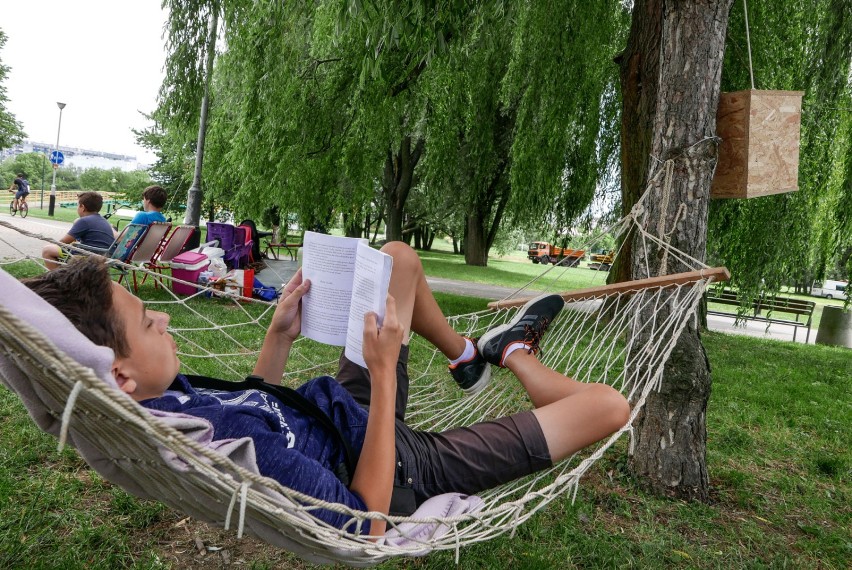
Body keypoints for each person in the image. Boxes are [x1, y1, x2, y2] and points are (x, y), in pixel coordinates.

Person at [23, 243, 630, 536]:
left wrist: (279, 337)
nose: (167, 319)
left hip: (339, 413)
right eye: (151, 322)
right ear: (120, 374)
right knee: (608, 406)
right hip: (400, 471)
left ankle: (469, 353)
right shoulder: (193, 441)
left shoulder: (169, 402)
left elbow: (255, 409)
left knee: (397, 260)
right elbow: (365, 519)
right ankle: (514, 351)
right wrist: (384, 369)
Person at [41, 192, 117, 270]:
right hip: (104, 256)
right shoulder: (104, 220)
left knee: (47, 250)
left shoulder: (84, 221)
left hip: (88, 256)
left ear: (82, 207)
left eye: (78, 205)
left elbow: (63, 242)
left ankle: (57, 279)